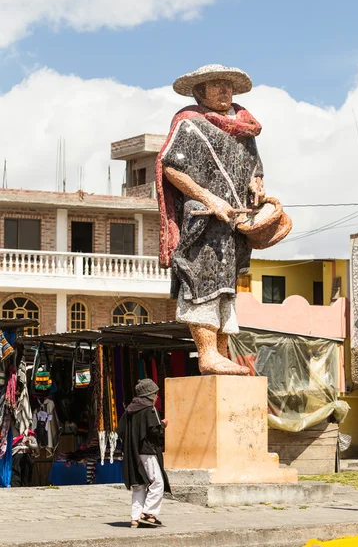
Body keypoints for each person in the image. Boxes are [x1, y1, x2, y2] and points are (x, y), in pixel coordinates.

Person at [156, 64, 267, 376]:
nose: (224, 91)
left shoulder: (244, 128)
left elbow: (254, 168)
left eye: (227, 85)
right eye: (216, 85)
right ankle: (206, 354)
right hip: (203, 218)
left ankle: (220, 353)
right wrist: (209, 198)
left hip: (232, 222)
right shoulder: (190, 125)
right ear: (199, 91)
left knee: (226, 286)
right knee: (201, 282)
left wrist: (256, 185)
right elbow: (171, 167)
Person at [117, 379, 171, 528]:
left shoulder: (129, 410)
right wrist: (163, 425)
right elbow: (154, 431)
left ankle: (135, 518)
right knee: (157, 482)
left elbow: (120, 431)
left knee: (139, 484)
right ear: (150, 394)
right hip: (148, 451)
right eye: (156, 393)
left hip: (133, 452)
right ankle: (149, 512)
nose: (157, 397)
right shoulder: (150, 409)